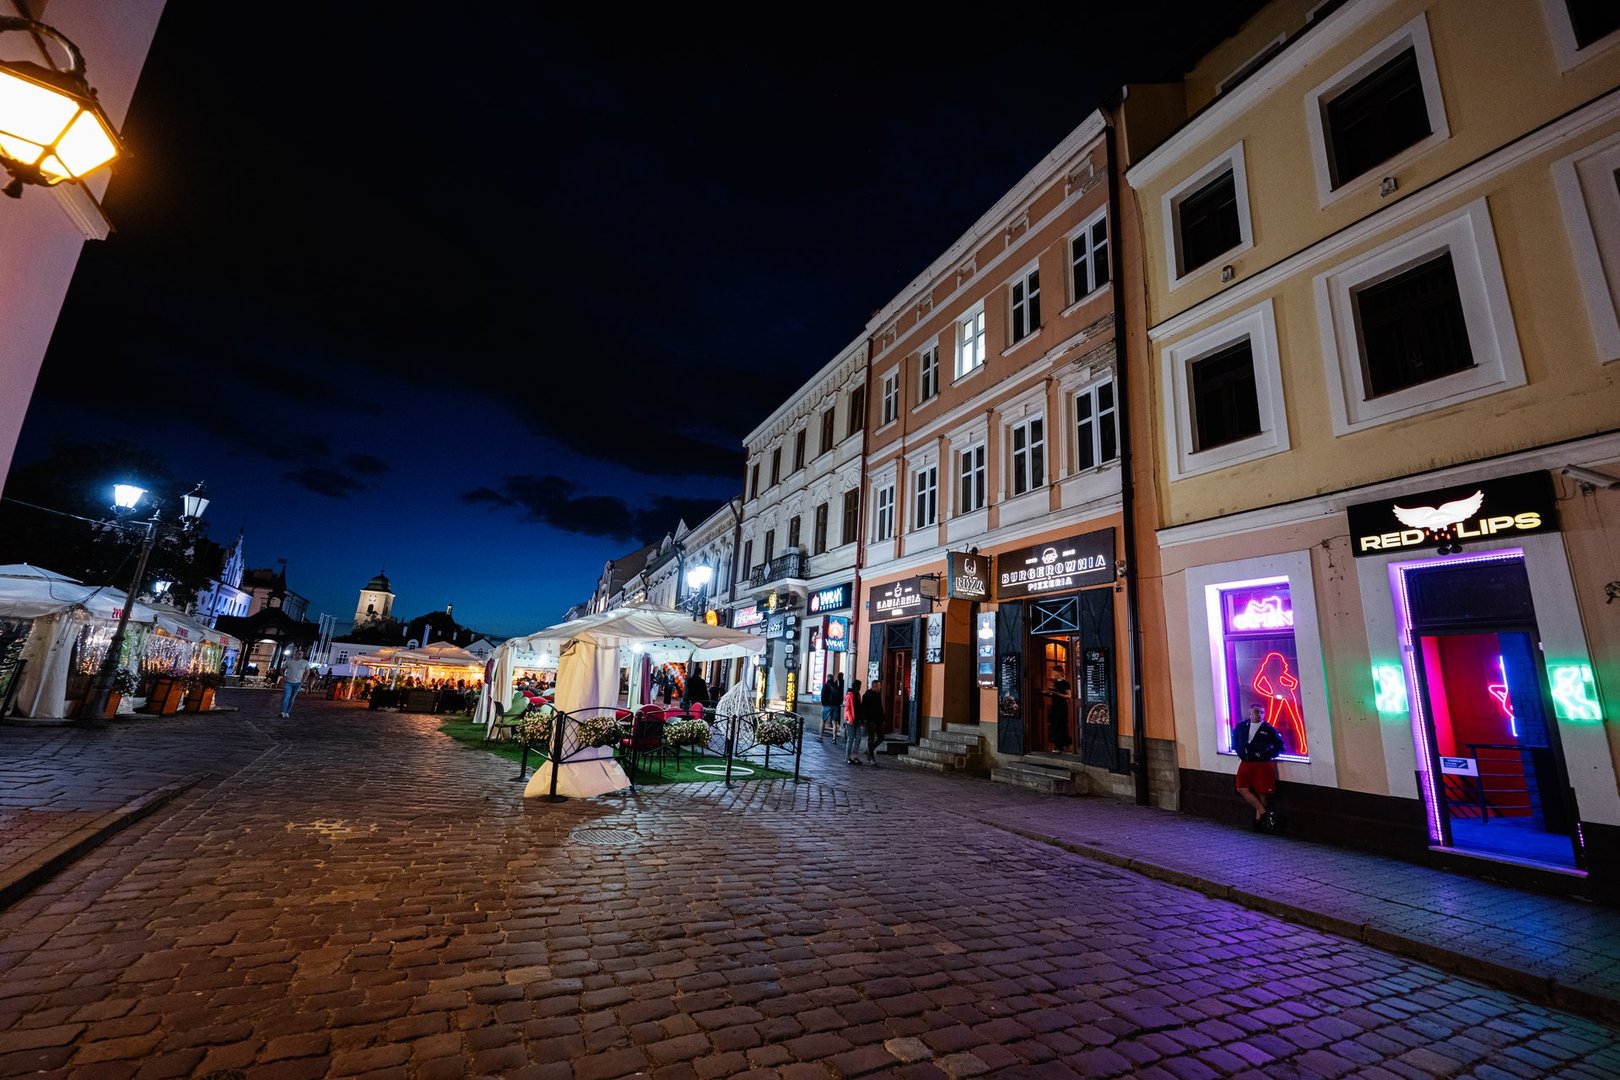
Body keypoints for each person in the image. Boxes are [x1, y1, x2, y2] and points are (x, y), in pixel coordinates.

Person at [1234, 703, 1284, 831]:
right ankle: (1264, 812)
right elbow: (1235, 740)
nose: (1259, 715)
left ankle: (1259, 822)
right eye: (1257, 712)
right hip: (1246, 762)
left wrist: (1268, 755)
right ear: (1250, 712)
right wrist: (1239, 751)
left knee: (1262, 793)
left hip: (1262, 764)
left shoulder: (1268, 729)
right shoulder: (1241, 727)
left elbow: (1280, 745)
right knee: (1241, 788)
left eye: (1262, 712)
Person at [280, 649, 315, 718]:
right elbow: (282, 669)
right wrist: (283, 676)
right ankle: (282, 712)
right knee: (286, 697)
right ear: (295, 654)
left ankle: (287, 712)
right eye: (298, 653)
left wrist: (303, 680)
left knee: (292, 698)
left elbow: (307, 672)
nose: (299, 655)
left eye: (301, 654)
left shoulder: (305, 662)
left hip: (298, 683)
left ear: (302, 655)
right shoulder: (289, 661)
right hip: (288, 682)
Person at [859, 679, 885, 765]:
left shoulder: (878, 695)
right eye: (878, 686)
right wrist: (864, 720)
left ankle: (869, 750)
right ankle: (871, 758)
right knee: (871, 739)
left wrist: (882, 718)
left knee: (881, 737)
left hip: (878, 720)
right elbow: (863, 709)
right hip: (870, 720)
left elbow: (880, 707)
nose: (880, 687)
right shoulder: (867, 695)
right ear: (874, 686)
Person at [1048, 664, 1071, 752]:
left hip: (1062, 706)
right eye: (1054, 672)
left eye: (1056, 672)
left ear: (1060, 672)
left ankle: (1060, 746)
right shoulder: (1054, 682)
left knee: (1061, 725)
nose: (1055, 674)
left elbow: (1069, 696)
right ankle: (1061, 744)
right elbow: (1052, 691)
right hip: (1054, 705)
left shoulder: (1065, 683)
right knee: (1054, 725)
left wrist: (1059, 694)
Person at [843, 679, 862, 764]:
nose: (860, 687)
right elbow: (847, 708)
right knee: (850, 738)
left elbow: (859, 707)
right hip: (850, 720)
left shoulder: (858, 695)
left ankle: (855, 756)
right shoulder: (850, 695)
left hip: (857, 719)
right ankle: (848, 757)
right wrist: (850, 718)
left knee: (858, 738)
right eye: (859, 686)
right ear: (856, 686)